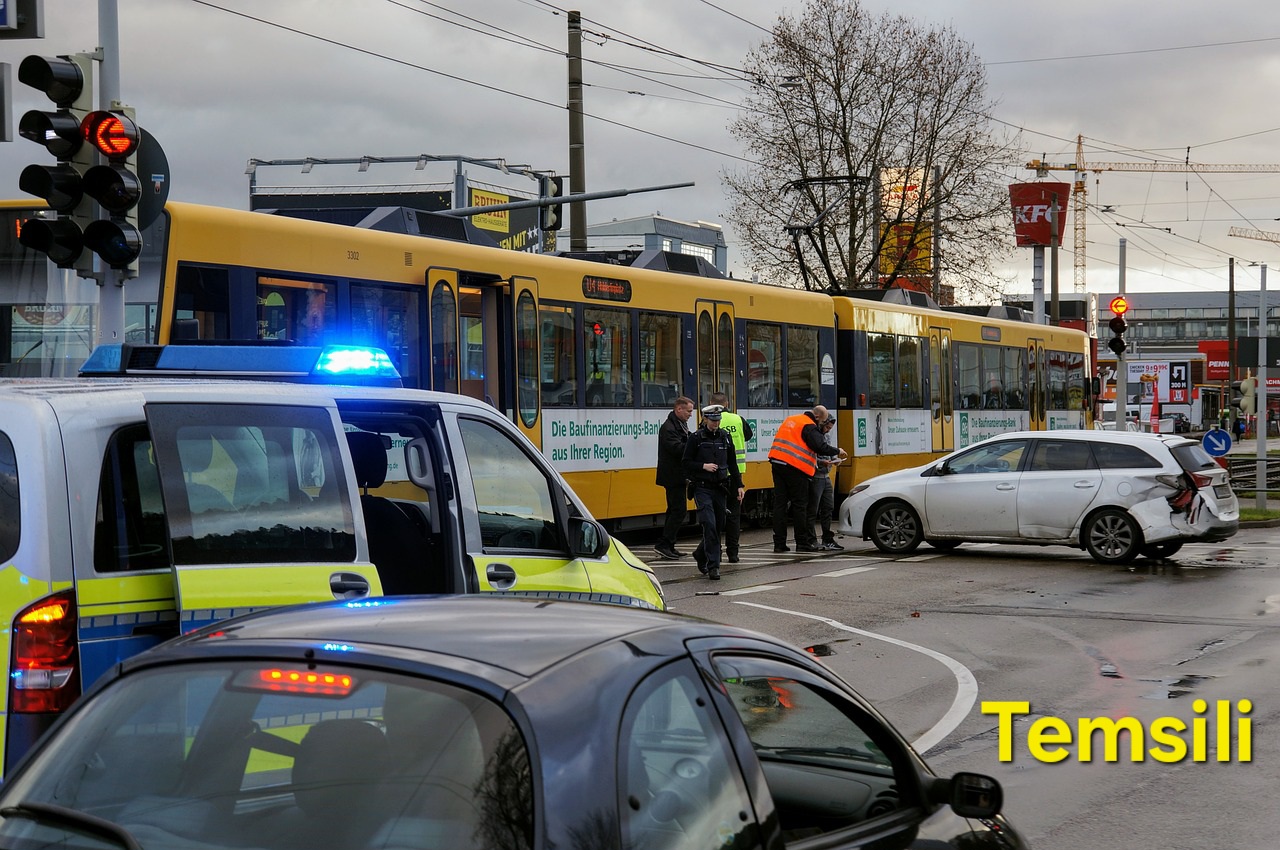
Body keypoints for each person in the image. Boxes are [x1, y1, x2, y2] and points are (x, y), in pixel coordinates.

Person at [768, 405, 841, 554]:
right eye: (824, 420)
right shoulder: (809, 426)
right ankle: (802, 542)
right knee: (800, 505)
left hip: (777, 463)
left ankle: (779, 543)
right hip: (794, 467)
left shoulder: (792, 419)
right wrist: (838, 451)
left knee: (780, 505)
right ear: (818, 417)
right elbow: (819, 446)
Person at [683, 404, 743, 580]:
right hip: (702, 488)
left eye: (718, 420)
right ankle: (713, 566)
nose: (716, 424)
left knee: (718, 526)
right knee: (709, 524)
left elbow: (733, 463)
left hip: (720, 488)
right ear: (705, 419)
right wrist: (703, 466)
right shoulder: (696, 438)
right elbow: (685, 462)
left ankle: (701, 553)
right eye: (713, 420)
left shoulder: (725, 437)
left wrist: (739, 485)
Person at [708, 391, 752, 563]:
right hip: (736, 474)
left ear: (712, 404)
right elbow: (748, 436)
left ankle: (716, 552)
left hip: (716, 474)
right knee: (734, 515)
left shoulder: (708, 421)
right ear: (727, 403)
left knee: (716, 516)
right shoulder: (738, 419)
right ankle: (733, 553)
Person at [654, 396, 694, 560]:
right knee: (678, 511)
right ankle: (664, 544)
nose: (691, 414)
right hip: (673, 476)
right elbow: (677, 448)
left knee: (674, 510)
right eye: (689, 411)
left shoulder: (679, 424)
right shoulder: (669, 428)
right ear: (679, 409)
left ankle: (669, 545)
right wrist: (694, 445)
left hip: (677, 475)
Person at [806, 416, 847, 551]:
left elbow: (828, 451)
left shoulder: (826, 436)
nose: (828, 431)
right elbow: (810, 455)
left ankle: (827, 538)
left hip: (826, 476)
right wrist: (821, 463)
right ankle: (811, 539)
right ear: (821, 424)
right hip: (816, 476)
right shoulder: (814, 436)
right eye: (827, 427)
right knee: (813, 509)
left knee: (828, 507)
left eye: (830, 428)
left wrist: (835, 459)